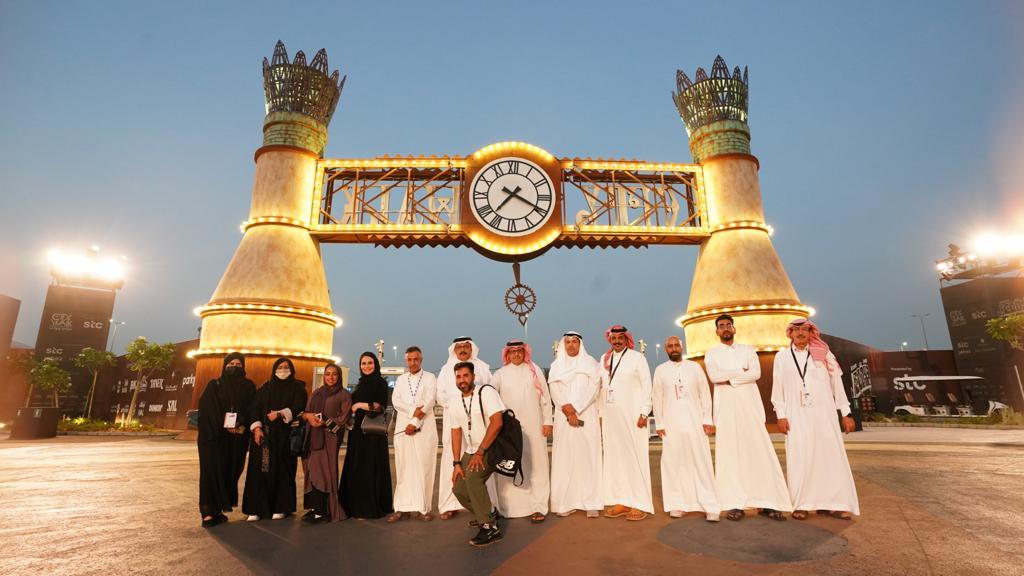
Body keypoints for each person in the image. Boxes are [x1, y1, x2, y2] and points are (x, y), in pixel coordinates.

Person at [704, 314, 792, 521]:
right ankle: (735, 504)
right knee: (730, 457)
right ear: (716, 331)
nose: (725, 328)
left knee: (759, 453)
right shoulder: (712, 353)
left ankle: (768, 502)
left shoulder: (747, 349)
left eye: (728, 325)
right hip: (725, 411)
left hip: (750, 409)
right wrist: (738, 371)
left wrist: (729, 379)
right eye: (721, 326)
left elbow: (756, 373)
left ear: (734, 329)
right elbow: (714, 377)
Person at [772, 318, 859, 520]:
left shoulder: (823, 354)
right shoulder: (782, 357)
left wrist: (845, 413)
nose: (801, 333)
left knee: (830, 457)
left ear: (812, 333)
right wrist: (781, 415)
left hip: (824, 415)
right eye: (797, 330)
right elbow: (778, 390)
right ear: (790, 334)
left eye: (805, 329)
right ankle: (801, 504)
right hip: (796, 415)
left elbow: (837, 384)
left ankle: (834, 504)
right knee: (799, 457)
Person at [652, 336, 721, 522]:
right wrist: (659, 423)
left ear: (681, 347)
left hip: (695, 422)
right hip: (671, 424)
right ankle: (677, 504)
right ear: (666, 350)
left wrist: (708, 419)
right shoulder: (660, 370)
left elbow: (705, 394)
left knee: (701, 461)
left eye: (676, 345)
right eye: (670, 346)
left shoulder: (694, 368)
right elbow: (657, 398)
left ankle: (709, 505)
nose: (674, 348)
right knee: (673, 463)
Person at [492, 340, 552, 523]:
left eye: (519, 351)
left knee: (537, 464)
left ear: (524, 352)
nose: (516, 354)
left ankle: (538, 506)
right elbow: (491, 398)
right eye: (512, 352)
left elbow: (546, 399)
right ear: (507, 355)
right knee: (509, 465)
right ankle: (510, 507)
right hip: (510, 430)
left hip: (534, 426)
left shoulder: (534, 371)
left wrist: (548, 422)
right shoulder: (500, 374)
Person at [598, 325, 654, 521]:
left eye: (620, 337)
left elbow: (648, 385)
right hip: (611, 418)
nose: (617, 341)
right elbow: (601, 389)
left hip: (633, 417)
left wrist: (644, 412)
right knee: (616, 459)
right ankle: (622, 500)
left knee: (635, 457)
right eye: (613, 338)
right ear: (609, 340)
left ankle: (640, 503)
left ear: (627, 339)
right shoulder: (604, 360)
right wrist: (600, 414)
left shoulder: (637, 358)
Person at [242, 357, 309, 521]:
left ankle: (281, 507)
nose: (283, 369)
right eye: (280, 366)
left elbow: (300, 405)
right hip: (264, 437)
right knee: (259, 471)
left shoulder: (298, 387)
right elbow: (254, 408)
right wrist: (256, 427)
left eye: (286, 367)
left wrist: (280, 413)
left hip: (285, 437)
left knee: (283, 471)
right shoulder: (265, 387)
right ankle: (256, 508)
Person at [435, 336, 492, 520]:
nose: (462, 350)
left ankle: (487, 505)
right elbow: (439, 394)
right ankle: (449, 504)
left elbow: (490, 389)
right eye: (459, 347)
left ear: (471, 348)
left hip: (479, 420)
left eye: (466, 346)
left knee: (481, 459)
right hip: (454, 418)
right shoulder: (445, 370)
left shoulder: (482, 366)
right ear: (454, 350)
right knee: (452, 459)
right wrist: (455, 406)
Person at [450, 361, 506, 547]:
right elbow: (456, 432)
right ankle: (487, 514)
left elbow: (497, 422)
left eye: (466, 375)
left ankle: (490, 528)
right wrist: (457, 463)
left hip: (490, 448)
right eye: (458, 376)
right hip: (471, 450)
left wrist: (481, 452)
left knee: (473, 479)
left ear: (473, 376)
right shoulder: (455, 401)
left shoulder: (486, 392)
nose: (462, 380)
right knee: (458, 488)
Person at [547, 331, 603, 518]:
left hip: (586, 415)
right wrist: (566, 409)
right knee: (565, 457)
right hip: (564, 418)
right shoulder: (556, 365)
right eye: (568, 342)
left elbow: (594, 388)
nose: (571, 345)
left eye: (574, 342)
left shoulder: (590, 363)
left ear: (580, 344)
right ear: (563, 345)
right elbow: (553, 388)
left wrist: (576, 408)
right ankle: (564, 502)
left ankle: (591, 502)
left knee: (588, 456)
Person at [197, 352, 256, 527]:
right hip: (214, 439)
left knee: (230, 472)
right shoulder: (215, 385)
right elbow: (207, 410)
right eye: (231, 363)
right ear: (225, 365)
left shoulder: (248, 386)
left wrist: (239, 423)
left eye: (239, 364)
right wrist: (223, 424)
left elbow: (253, 408)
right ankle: (207, 513)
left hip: (237, 439)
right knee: (211, 473)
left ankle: (218, 510)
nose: (235, 366)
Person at [339, 352, 393, 519]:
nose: (367, 366)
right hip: (358, 434)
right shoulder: (360, 384)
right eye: (363, 363)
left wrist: (359, 405)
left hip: (373, 433)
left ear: (375, 365)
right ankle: (353, 507)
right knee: (357, 468)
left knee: (370, 468)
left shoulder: (380, 383)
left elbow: (379, 406)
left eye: (370, 363)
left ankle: (368, 508)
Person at [388, 346, 438, 522]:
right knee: (403, 468)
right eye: (409, 359)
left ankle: (424, 508)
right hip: (403, 427)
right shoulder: (401, 380)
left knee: (424, 467)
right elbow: (396, 401)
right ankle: (401, 508)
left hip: (425, 428)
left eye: (416, 359)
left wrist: (415, 422)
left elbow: (430, 400)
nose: (413, 362)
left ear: (421, 360)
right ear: (406, 361)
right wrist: (412, 412)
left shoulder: (431, 377)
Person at [301, 363, 352, 523]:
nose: (331, 377)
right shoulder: (316, 393)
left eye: (334, 374)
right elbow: (305, 412)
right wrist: (309, 417)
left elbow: (343, 419)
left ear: (339, 376)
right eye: (328, 374)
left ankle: (325, 510)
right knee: (311, 471)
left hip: (329, 439)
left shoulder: (343, 394)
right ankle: (314, 508)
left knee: (324, 472)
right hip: (312, 437)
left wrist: (324, 421)